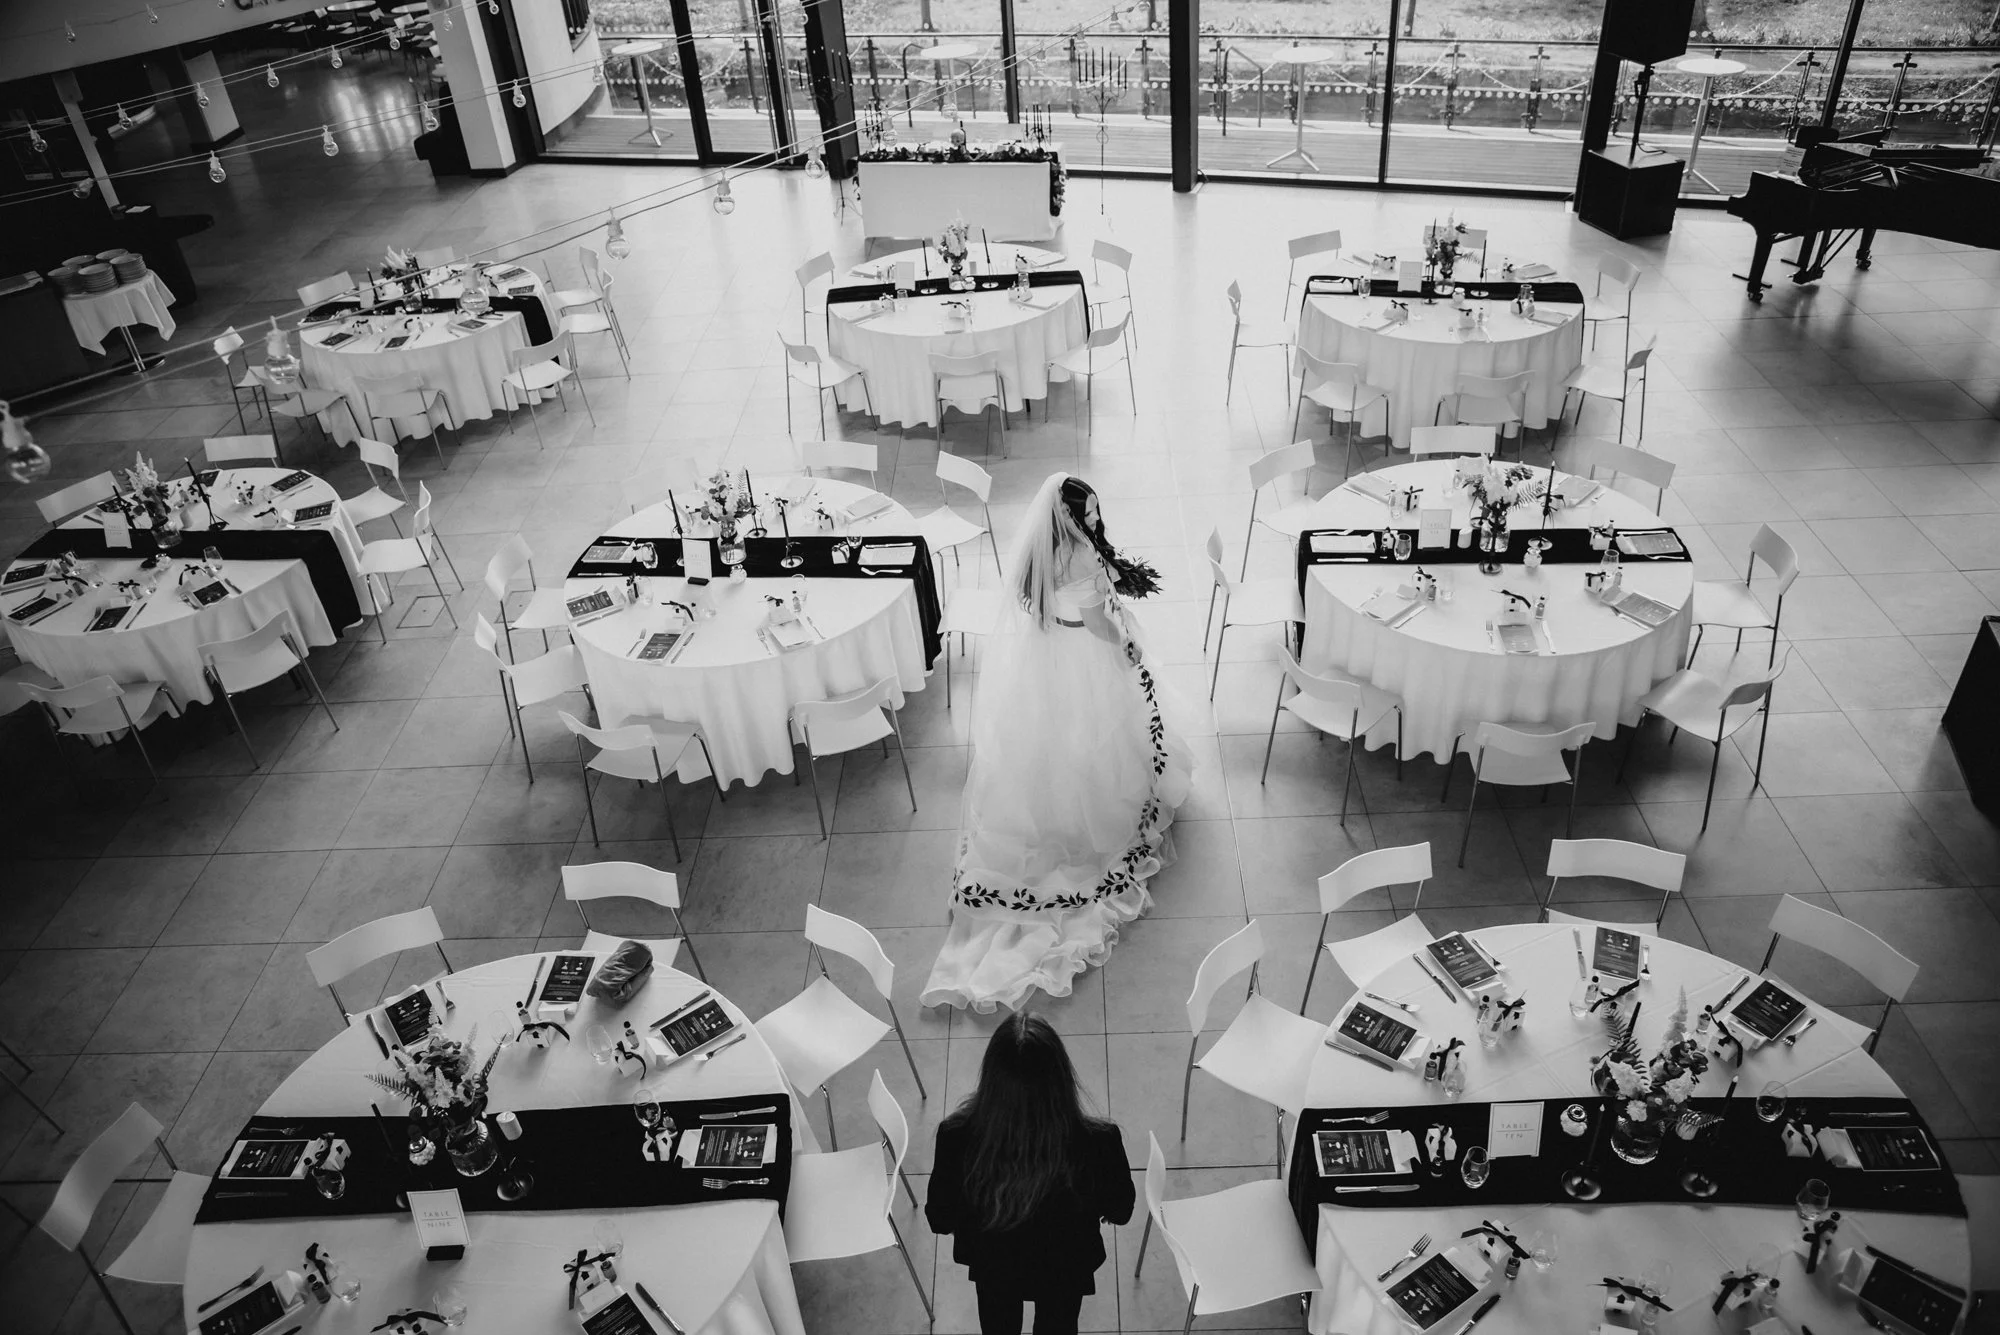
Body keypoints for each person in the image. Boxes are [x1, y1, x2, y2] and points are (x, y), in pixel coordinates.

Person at [922, 472, 1192, 1012]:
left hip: (1046, 652)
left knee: (1049, 745)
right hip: (1084, 656)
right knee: (1097, 737)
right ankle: (1092, 813)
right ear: (1066, 515)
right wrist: (1128, 644)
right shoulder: (1083, 559)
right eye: (1086, 512)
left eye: (1094, 508)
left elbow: (1049, 602)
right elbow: (1097, 625)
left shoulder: (1042, 551)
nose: (1093, 518)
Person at [925, 1014, 1135, 1335]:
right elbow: (1121, 1211)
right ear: (1061, 1078)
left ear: (991, 1078)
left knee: (998, 1326)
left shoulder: (956, 1138)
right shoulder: (1100, 1142)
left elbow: (940, 1219)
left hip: (993, 1266)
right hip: (1064, 1268)